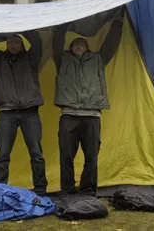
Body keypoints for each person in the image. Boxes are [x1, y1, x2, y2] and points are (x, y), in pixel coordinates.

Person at [53, 13, 123, 196]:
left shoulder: (99, 60)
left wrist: (118, 21)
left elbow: (111, 43)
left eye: (82, 44)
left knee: (91, 157)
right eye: (75, 44)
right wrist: (61, 21)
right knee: (66, 156)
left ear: (88, 48)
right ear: (70, 48)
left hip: (92, 116)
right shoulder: (62, 60)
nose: (79, 46)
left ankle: (87, 190)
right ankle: (67, 190)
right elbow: (56, 42)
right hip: (68, 114)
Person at [0, 31, 47, 196]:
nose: (13, 45)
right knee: (3, 155)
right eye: (10, 42)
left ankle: (40, 190)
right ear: (6, 44)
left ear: (22, 43)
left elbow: (37, 42)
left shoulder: (32, 58)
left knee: (36, 154)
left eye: (16, 42)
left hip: (30, 112)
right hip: (7, 113)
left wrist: (22, 26)